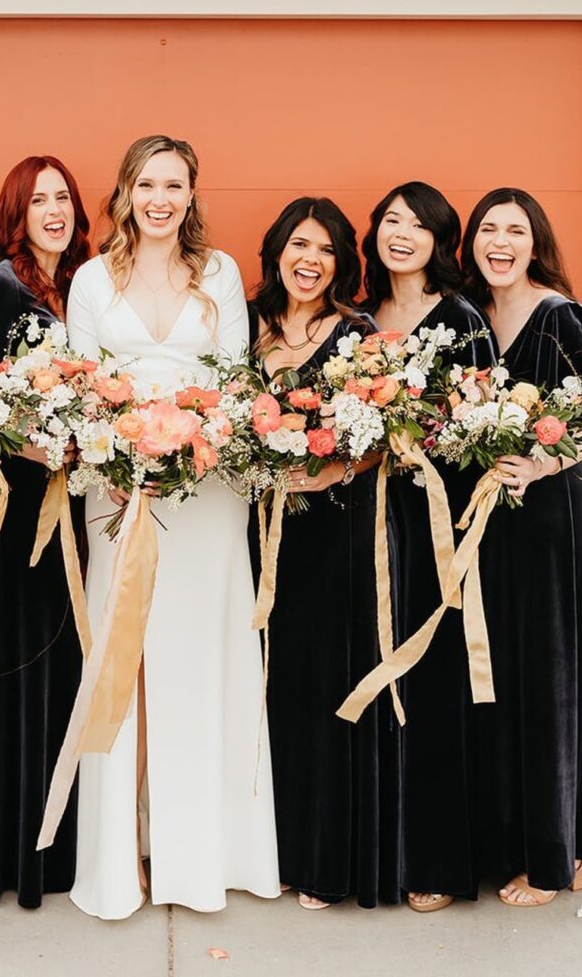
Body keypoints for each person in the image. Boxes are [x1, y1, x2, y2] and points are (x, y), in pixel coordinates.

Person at [66, 134, 279, 920]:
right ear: (125, 191)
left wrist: (184, 446)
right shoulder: (92, 279)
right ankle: (121, 856)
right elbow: (82, 387)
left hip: (207, 487)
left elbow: (231, 381)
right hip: (117, 491)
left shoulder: (217, 273)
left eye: (175, 185)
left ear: (192, 194)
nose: (161, 199)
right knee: (128, 661)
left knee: (199, 656)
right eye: (147, 184)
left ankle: (203, 853)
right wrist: (128, 453)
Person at [251, 196, 400, 910]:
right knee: (276, 690)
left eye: (326, 250)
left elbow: (380, 443)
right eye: (298, 245)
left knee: (330, 687)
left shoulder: (356, 334)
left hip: (334, 529)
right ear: (277, 249)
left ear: (342, 262)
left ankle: (330, 863)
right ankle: (278, 849)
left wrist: (323, 471)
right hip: (260, 533)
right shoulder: (248, 327)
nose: (309, 260)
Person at [362, 181, 494, 912]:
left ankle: (436, 862)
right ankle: (377, 851)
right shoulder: (360, 315)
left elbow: (477, 421)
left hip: (433, 525)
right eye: (390, 220)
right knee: (377, 686)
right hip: (365, 520)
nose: (401, 234)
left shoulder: (460, 317)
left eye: (417, 225)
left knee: (433, 686)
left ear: (440, 240)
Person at [0, 156, 89, 907]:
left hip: (69, 499)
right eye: (38, 199)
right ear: (16, 209)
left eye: (63, 197)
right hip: (17, 512)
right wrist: (25, 446)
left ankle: (55, 849)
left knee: (60, 668)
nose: (54, 209)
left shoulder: (75, 285)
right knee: (19, 669)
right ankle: (8, 857)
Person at [462, 188, 582, 907]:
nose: (498, 242)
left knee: (549, 679)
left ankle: (556, 856)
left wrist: (544, 462)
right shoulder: (472, 319)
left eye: (513, 231)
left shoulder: (558, 315)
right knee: (498, 677)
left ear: (533, 243)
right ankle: (509, 840)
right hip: (490, 525)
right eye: (487, 230)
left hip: (550, 522)